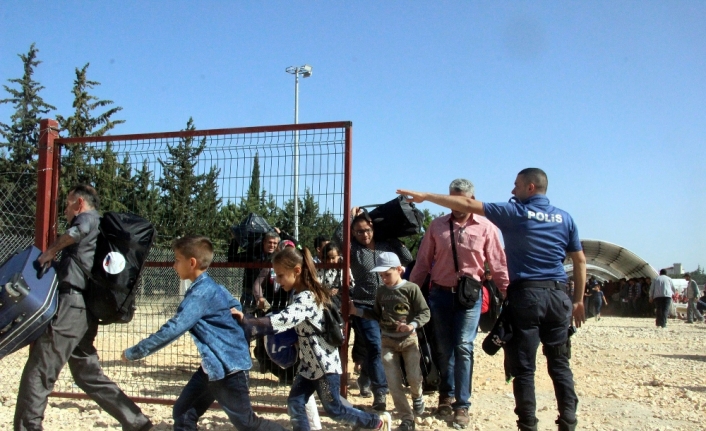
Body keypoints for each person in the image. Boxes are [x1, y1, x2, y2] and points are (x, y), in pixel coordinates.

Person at [398, 167, 587, 431]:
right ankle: (568, 421)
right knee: (558, 363)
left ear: (530, 187)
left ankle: (519, 422)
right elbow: (579, 260)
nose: (512, 191)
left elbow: (496, 260)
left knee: (517, 365)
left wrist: (425, 196)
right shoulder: (564, 217)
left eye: (516, 186)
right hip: (555, 296)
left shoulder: (511, 214)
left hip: (515, 295)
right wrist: (578, 301)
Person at [15, 184, 152, 431]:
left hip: (71, 307)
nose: (65, 210)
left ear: (79, 203)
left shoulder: (87, 218)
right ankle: (135, 420)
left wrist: (51, 251)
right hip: (85, 310)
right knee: (86, 372)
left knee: (40, 369)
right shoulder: (99, 228)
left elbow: (77, 231)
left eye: (67, 204)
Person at [122, 236, 285, 431]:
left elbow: (174, 328)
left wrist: (135, 352)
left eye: (177, 260)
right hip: (213, 366)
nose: (174, 265)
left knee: (247, 423)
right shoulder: (211, 286)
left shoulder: (201, 294)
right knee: (183, 414)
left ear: (192, 263)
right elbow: (234, 305)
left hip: (229, 368)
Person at [233, 247, 393, 431]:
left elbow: (282, 320)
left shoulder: (306, 298)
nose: (277, 280)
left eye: (280, 275)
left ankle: (376, 423)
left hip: (324, 366)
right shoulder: (299, 295)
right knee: (295, 403)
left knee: (335, 409)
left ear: (297, 271)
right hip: (309, 366)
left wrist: (248, 321)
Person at [408, 178, 509, 429]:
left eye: (461, 198)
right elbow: (422, 263)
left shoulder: (486, 228)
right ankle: (446, 394)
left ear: (472, 200)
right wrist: (408, 292)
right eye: (452, 197)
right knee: (443, 348)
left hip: (469, 297)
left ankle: (462, 405)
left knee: (464, 346)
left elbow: (498, 264)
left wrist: (509, 294)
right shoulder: (437, 226)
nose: (456, 203)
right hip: (440, 295)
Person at [337, 209, 413, 410]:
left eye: (368, 230)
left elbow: (406, 256)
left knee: (381, 347)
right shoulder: (353, 249)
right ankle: (380, 392)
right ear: (353, 233)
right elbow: (338, 237)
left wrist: (389, 232)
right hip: (363, 303)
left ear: (373, 228)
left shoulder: (385, 245)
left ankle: (365, 376)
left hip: (386, 303)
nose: (364, 235)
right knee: (375, 346)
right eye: (359, 231)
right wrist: (350, 216)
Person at [350, 252, 431, 431]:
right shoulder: (381, 291)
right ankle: (406, 418)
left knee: (413, 377)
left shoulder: (411, 289)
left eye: (387, 274)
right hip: (387, 342)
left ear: (398, 270)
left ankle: (417, 397)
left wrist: (412, 325)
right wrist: (358, 312)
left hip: (409, 341)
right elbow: (377, 314)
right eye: (381, 275)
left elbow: (425, 312)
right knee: (393, 383)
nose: (384, 278)